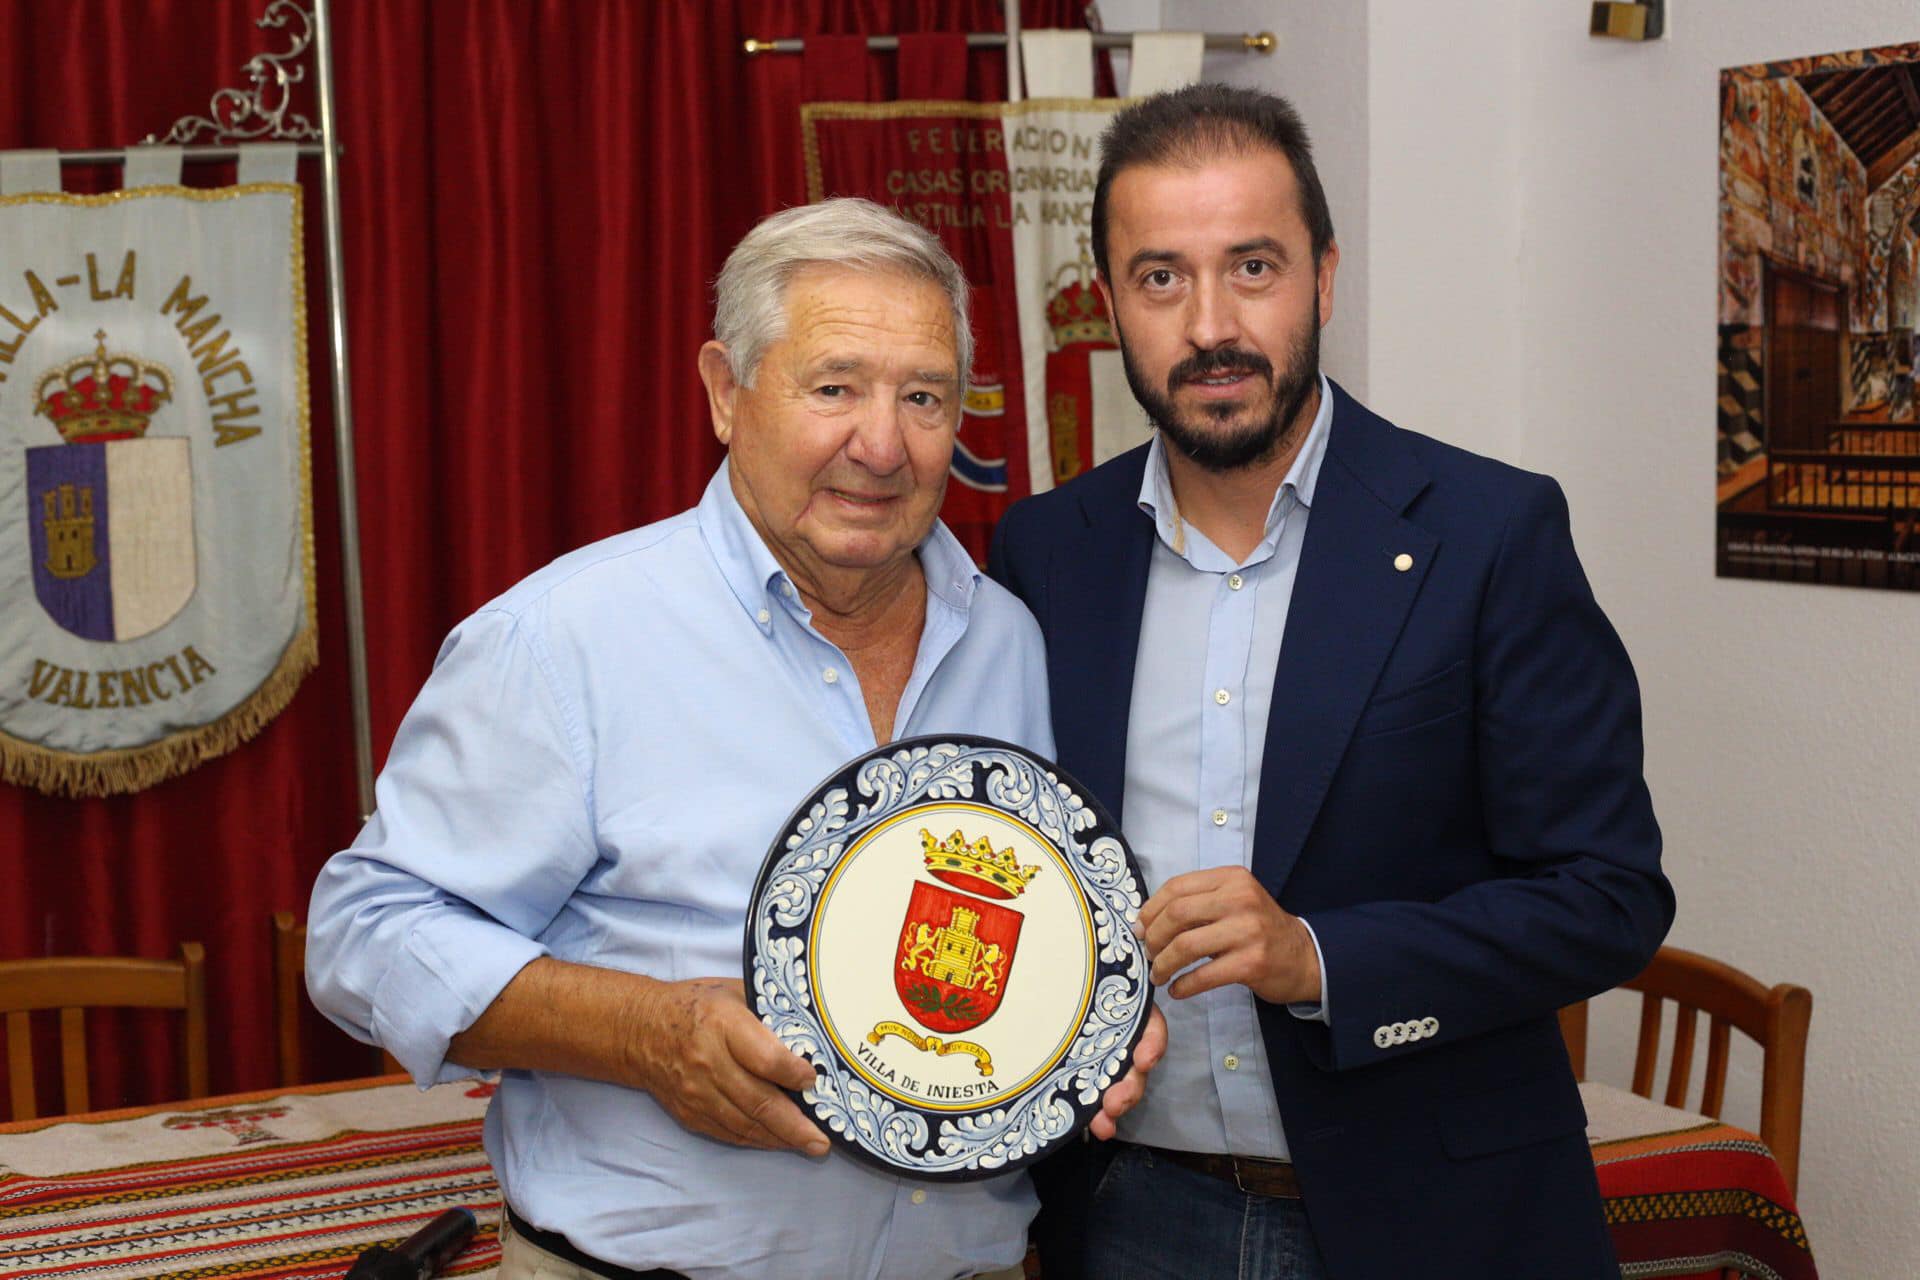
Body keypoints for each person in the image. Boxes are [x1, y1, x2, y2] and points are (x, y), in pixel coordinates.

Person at [307, 197, 1160, 1280]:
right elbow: (362, 932)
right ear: (725, 392)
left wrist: (1099, 1026)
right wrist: (644, 1032)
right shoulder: (567, 639)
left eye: (925, 396)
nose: (883, 444)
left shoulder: (1014, 640)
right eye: (835, 386)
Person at [989, 85, 1673, 1279]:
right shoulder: (1047, 552)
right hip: (1135, 1213)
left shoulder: (1487, 531)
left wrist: (1319, 957)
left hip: (1441, 1219)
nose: (1211, 323)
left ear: (1324, 276)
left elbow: (1608, 895)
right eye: (1161, 278)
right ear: (1109, 305)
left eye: (1253, 266)